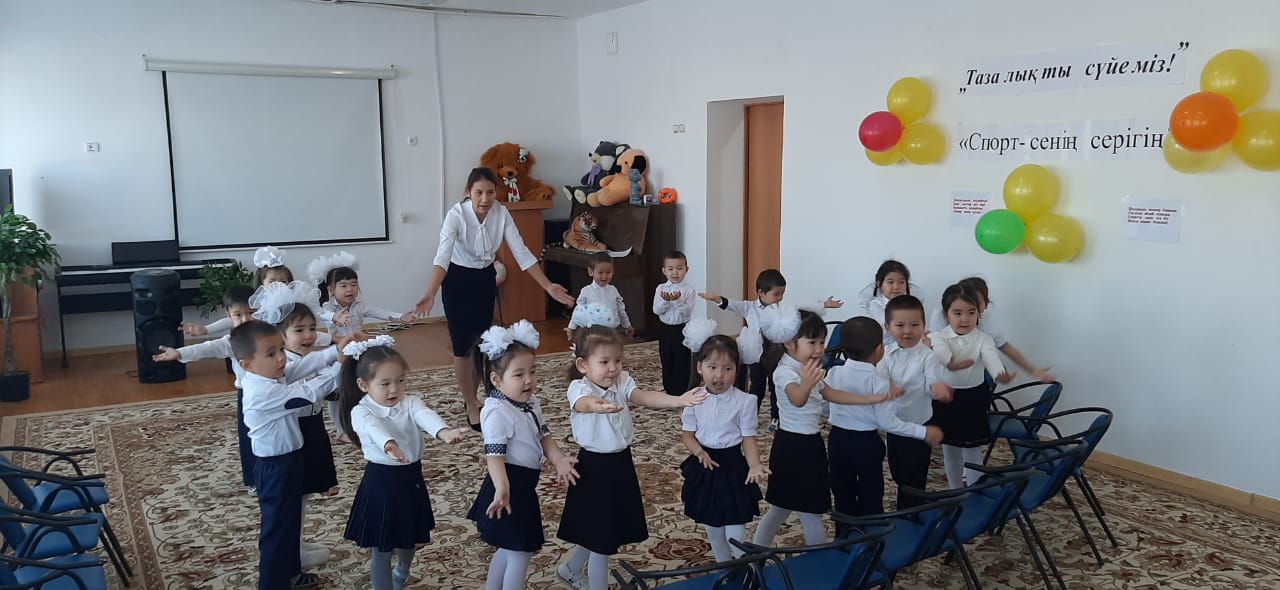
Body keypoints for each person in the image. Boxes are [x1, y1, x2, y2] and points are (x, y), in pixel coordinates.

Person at [414, 167, 575, 431]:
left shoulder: (501, 213)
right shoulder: (455, 216)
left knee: (483, 344)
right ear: (468, 192)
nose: (485, 199)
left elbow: (521, 252)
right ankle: (470, 402)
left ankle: (487, 395)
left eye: (490, 192)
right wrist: (430, 293)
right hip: (457, 280)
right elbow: (442, 257)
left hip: (484, 280)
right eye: (479, 192)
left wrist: (548, 286)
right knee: (462, 347)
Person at [555, 325, 706, 590]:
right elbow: (583, 404)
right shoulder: (579, 388)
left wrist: (678, 400)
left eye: (617, 360)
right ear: (583, 365)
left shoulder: (622, 381)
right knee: (601, 540)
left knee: (601, 529)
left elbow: (644, 397)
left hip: (620, 463)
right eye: (604, 362)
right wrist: (597, 406)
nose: (613, 368)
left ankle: (570, 569)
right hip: (593, 468)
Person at [752, 311, 899, 547]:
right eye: (812, 342)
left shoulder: (808, 368)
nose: (819, 349)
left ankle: (758, 553)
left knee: (800, 509)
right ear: (790, 343)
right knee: (792, 509)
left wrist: (871, 399)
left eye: (822, 342)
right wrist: (807, 383)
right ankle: (793, 556)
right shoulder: (784, 372)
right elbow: (797, 399)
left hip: (811, 444)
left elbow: (832, 394)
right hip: (791, 446)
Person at [336, 335, 466, 590]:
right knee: (381, 549)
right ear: (363, 385)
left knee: (410, 538)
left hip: (411, 480)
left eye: (400, 381)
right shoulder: (361, 411)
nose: (394, 390)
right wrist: (389, 444)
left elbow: (425, 415)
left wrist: (443, 431)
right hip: (381, 484)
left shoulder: (410, 403)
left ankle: (402, 571)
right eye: (385, 384)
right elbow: (372, 428)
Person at [234, 320, 349, 589]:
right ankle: (273, 584)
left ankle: (292, 574)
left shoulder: (269, 376)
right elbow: (307, 394)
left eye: (281, 350)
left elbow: (301, 367)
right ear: (247, 365)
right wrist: (339, 367)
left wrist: (334, 352)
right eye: (271, 354)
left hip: (289, 460)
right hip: (275, 466)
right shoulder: (263, 391)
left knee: (290, 523)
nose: (281, 359)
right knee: (277, 530)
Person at [466, 321, 578, 590]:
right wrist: (503, 488)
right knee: (519, 552)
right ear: (497, 380)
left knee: (509, 549)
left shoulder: (530, 402)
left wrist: (559, 459)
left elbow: (543, 436)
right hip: (507, 487)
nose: (529, 380)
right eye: (519, 374)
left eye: (532, 371)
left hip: (523, 487)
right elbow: (494, 458)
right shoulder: (496, 412)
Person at [250, 280, 341, 569]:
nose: (308, 335)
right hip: (294, 433)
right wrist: (340, 365)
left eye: (312, 328)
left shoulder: (303, 358)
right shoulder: (280, 366)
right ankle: (292, 551)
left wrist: (337, 355)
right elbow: (311, 390)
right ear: (280, 335)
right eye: (299, 330)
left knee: (303, 493)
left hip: (311, 428)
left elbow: (317, 368)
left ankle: (296, 543)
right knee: (294, 495)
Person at [826, 317, 942, 529]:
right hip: (866, 443)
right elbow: (888, 423)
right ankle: (873, 535)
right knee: (871, 491)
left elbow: (825, 407)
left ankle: (844, 536)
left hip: (837, 440)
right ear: (879, 349)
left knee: (842, 490)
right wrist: (922, 432)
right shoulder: (878, 381)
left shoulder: (834, 372)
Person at [699, 269, 842, 432]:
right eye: (776, 294)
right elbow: (731, 304)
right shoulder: (749, 307)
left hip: (775, 352)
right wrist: (715, 298)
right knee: (756, 385)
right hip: (756, 353)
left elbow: (801, 307)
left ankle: (776, 416)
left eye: (782, 294)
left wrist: (824, 304)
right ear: (761, 293)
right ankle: (751, 414)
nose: (780, 298)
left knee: (776, 386)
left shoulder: (782, 309)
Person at [153, 285, 259, 494]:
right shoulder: (232, 342)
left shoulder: (271, 333)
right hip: (248, 396)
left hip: (273, 392)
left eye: (251, 313)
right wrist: (179, 353)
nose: (245, 319)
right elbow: (207, 348)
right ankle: (254, 480)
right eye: (238, 315)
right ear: (229, 316)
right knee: (248, 437)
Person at [679, 326, 769, 563]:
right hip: (705, 465)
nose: (719, 375)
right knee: (713, 527)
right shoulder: (693, 398)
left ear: (737, 370)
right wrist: (698, 452)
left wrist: (755, 465)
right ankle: (724, 567)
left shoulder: (745, 401)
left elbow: (748, 438)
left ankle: (745, 567)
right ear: (700, 367)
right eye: (712, 367)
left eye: (728, 368)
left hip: (732, 466)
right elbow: (688, 435)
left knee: (735, 528)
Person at [310, 251, 414, 442]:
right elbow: (319, 313)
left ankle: (365, 421)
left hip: (358, 352)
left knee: (359, 387)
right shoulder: (328, 307)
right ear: (331, 289)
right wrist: (335, 317)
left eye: (354, 284)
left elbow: (378, 311)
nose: (350, 289)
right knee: (336, 393)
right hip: (338, 353)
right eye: (343, 285)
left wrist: (400, 316)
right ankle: (341, 429)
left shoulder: (359, 306)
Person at [931, 284, 1015, 489]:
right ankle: (955, 490)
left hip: (974, 399)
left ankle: (974, 492)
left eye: (971, 312)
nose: (965, 319)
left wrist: (999, 374)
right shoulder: (939, 336)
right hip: (947, 398)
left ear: (979, 314)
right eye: (957, 313)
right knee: (950, 449)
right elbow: (941, 354)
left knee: (972, 449)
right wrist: (952, 363)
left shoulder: (984, 339)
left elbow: (991, 358)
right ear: (946, 315)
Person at [880, 295, 954, 509]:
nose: (908, 331)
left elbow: (932, 381)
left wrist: (938, 389)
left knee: (915, 475)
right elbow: (879, 378)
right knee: (897, 470)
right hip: (895, 423)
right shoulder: (885, 353)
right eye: (900, 325)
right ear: (888, 327)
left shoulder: (927, 356)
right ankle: (907, 503)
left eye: (914, 325)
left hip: (919, 424)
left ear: (924, 326)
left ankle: (910, 513)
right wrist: (887, 387)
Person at [927, 276, 1053, 382]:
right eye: (959, 311)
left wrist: (1031, 370)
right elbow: (934, 348)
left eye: (975, 305)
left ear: (986, 304)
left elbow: (1006, 348)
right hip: (945, 380)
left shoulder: (987, 326)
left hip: (974, 381)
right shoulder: (940, 316)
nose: (965, 317)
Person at [182, 245, 293, 338]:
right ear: (261, 283)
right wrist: (207, 329)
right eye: (272, 282)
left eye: (283, 282)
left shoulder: (293, 302)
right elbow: (233, 319)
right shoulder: (256, 303)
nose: (279, 286)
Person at [652, 251, 696, 396]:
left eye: (679, 268)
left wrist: (677, 301)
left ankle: (681, 390)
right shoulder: (661, 289)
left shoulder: (689, 290)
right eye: (670, 269)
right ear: (664, 271)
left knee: (682, 358)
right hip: (665, 329)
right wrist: (665, 301)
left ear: (686, 270)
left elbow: (687, 313)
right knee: (666, 357)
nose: (675, 272)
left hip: (682, 329)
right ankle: (669, 388)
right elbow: (656, 310)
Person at [566, 253, 632, 342]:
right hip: (593, 332)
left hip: (612, 331)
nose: (604, 276)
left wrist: (627, 326)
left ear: (613, 272)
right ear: (591, 272)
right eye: (600, 273)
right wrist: (571, 327)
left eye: (608, 272)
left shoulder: (613, 290)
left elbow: (621, 310)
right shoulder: (586, 291)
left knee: (612, 349)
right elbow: (578, 311)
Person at [860, 260, 913, 346]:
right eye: (890, 282)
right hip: (884, 347)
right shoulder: (876, 305)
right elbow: (886, 330)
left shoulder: (912, 304)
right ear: (879, 284)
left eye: (901, 282)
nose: (896, 287)